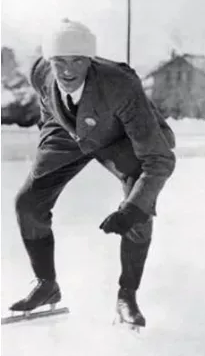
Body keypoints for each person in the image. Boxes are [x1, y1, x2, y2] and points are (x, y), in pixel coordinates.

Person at [9, 19, 176, 328]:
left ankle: (127, 296)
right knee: (28, 202)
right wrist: (50, 147)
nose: (68, 70)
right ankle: (46, 285)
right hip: (68, 132)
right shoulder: (40, 72)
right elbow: (48, 107)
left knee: (139, 207)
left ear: (90, 60)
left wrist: (133, 209)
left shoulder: (120, 85)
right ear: (49, 61)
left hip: (121, 136)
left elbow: (159, 159)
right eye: (60, 61)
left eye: (78, 61)